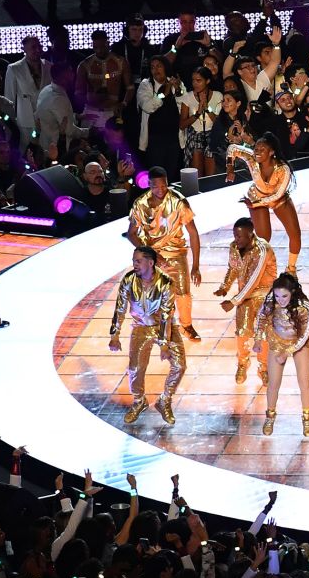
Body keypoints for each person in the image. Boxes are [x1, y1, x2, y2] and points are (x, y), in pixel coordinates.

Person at [108, 245, 185, 425]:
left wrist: (164, 344)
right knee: (135, 368)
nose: (134, 264)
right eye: (134, 260)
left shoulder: (165, 282)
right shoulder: (128, 280)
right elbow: (120, 307)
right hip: (141, 327)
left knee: (180, 365)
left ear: (150, 263)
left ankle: (164, 400)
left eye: (138, 261)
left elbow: (167, 314)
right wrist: (115, 334)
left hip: (164, 327)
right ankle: (139, 401)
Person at [128, 167, 202, 341]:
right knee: (151, 296)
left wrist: (196, 266)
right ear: (149, 185)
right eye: (155, 186)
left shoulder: (178, 202)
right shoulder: (140, 204)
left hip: (176, 253)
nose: (160, 190)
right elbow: (131, 234)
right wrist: (149, 254)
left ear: (167, 182)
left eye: (163, 185)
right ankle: (157, 328)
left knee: (183, 293)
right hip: (150, 257)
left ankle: (186, 325)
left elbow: (193, 233)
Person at [215, 216, 278, 385]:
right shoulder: (234, 247)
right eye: (235, 235)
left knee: (263, 333)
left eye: (240, 236)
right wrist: (225, 287)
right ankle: (242, 363)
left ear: (251, 235)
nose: (236, 239)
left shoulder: (262, 249)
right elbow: (233, 268)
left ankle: (264, 368)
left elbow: (255, 279)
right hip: (245, 296)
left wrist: (233, 301)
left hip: (265, 296)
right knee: (242, 332)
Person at [225, 133, 301, 272]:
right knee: (264, 238)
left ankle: (291, 269)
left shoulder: (283, 169)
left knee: (295, 234)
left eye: (262, 149)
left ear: (272, 152)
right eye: (256, 149)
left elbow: (277, 194)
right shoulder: (251, 158)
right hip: (257, 195)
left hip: (278, 199)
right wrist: (230, 167)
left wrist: (256, 204)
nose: (257, 152)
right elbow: (232, 148)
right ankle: (256, 266)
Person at [252, 274, 309, 437]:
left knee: (304, 382)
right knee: (273, 383)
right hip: (277, 340)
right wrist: (258, 340)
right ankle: (270, 416)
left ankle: (307, 418)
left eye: (284, 296)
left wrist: (287, 352)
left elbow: (305, 334)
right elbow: (261, 317)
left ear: (293, 293)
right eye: (277, 296)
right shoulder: (270, 301)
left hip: (299, 343)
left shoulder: (304, 307)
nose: (280, 300)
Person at [2, 35, 50, 140]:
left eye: (39, 46)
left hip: (47, 121)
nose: (38, 50)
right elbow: (9, 99)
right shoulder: (14, 68)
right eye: (33, 47)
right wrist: (9, 126)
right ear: (24, 49)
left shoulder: (49, 66)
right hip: (25, 123)